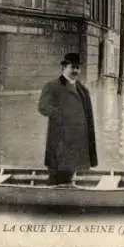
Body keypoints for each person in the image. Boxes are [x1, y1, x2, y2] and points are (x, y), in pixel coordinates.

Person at [38, 53, 97, 187]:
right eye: (72, 67)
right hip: (60, 140)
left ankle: (65, 198)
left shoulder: (82, 89)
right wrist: (62, 116)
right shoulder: (52, 86)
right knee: (56, 174)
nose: (76, 71)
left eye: (78, 68)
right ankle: (50, 201)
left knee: (69, 173)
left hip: (77, 141)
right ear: (64, 67)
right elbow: (42, 107)